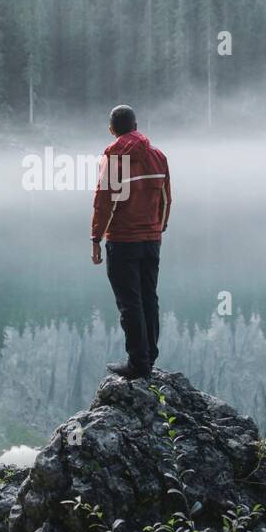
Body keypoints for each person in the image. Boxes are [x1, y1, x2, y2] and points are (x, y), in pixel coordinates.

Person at [91, 104, 171, 379]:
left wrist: (95, 238)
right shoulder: (158, 157)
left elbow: (103, 203)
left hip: (123, 241)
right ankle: (149, 355)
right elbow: (166, 199)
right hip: (152, 239)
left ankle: (138, 363)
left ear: (112, 129)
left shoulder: (113, 160)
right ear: (136, 126)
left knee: (130, 303)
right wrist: (159, 228)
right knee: (150, 298)